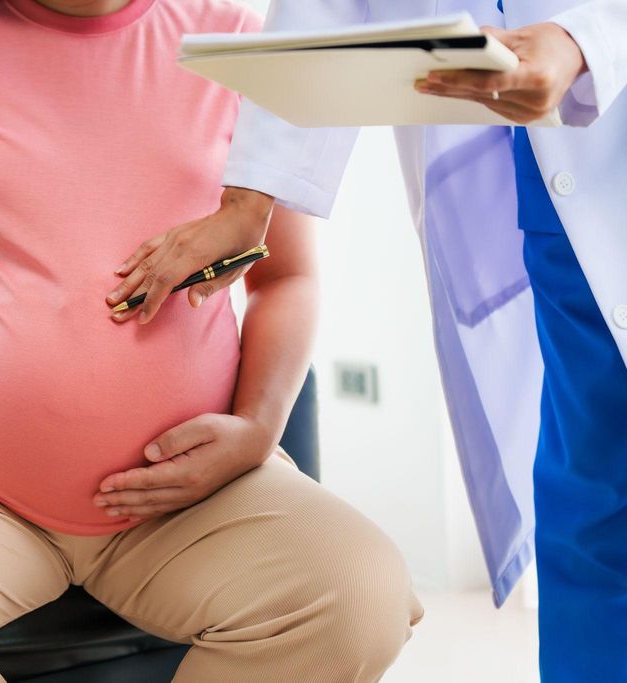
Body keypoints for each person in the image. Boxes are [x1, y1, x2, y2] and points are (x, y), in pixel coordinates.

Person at [0, 0, 423, 680]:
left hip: (187, 495)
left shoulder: (237, 40)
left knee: (361, 597)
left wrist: (256, 427)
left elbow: (286, 277)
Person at [107, 1, 627, 680]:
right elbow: (325, 9)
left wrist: (583, 39)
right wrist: (246, 201)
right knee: (593, 500)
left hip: (598, 115)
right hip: (553, 160)